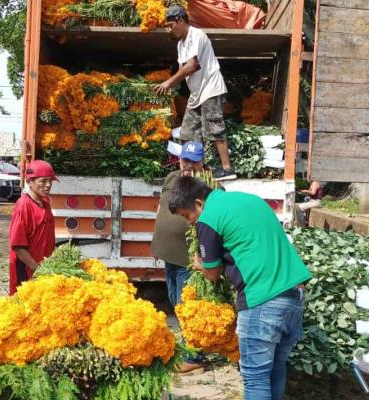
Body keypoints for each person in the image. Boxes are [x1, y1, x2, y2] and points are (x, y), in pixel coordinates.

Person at [169, 176, 312, 400]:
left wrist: (199, 265)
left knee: (255, 378)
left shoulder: (208, 219)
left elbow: (213, 274)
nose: (190, 222)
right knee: (275, 369)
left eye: (188, 216)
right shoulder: (250, 200)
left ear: (199, 204)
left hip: (262, 301)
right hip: (295, 295)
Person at [156, 5, 236, 181]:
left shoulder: (196, 35)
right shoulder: (180, 45)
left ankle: (227, 169)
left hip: (210, 89)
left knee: (214, 130)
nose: (170, 29)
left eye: (171, 25)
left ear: (181, 20)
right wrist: (174, 86)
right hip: (196, 94)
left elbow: (192, 65)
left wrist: (169, 82)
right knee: (187, 132)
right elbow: (182, 69)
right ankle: (194, 170)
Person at [151, 141, 208, 373]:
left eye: (194, 161)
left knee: (188, 306)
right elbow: (161, 208)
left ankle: (196, 358)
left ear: (202, 161)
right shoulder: (172, 177)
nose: (188, 166)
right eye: (185, 160)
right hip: (168, 253)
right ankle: (188, 347)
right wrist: (156, 239)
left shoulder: (207, 185)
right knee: (175, 301)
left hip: (188, 259)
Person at [7, 160, 57, 294]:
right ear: (30, 182)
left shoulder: (45, 202)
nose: (48, 185)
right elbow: (18, 246)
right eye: (43, 181)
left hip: (42, 268)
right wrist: (36, 268)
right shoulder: (23, 206)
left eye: (50, 181)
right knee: (24, 307)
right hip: (28, 269)